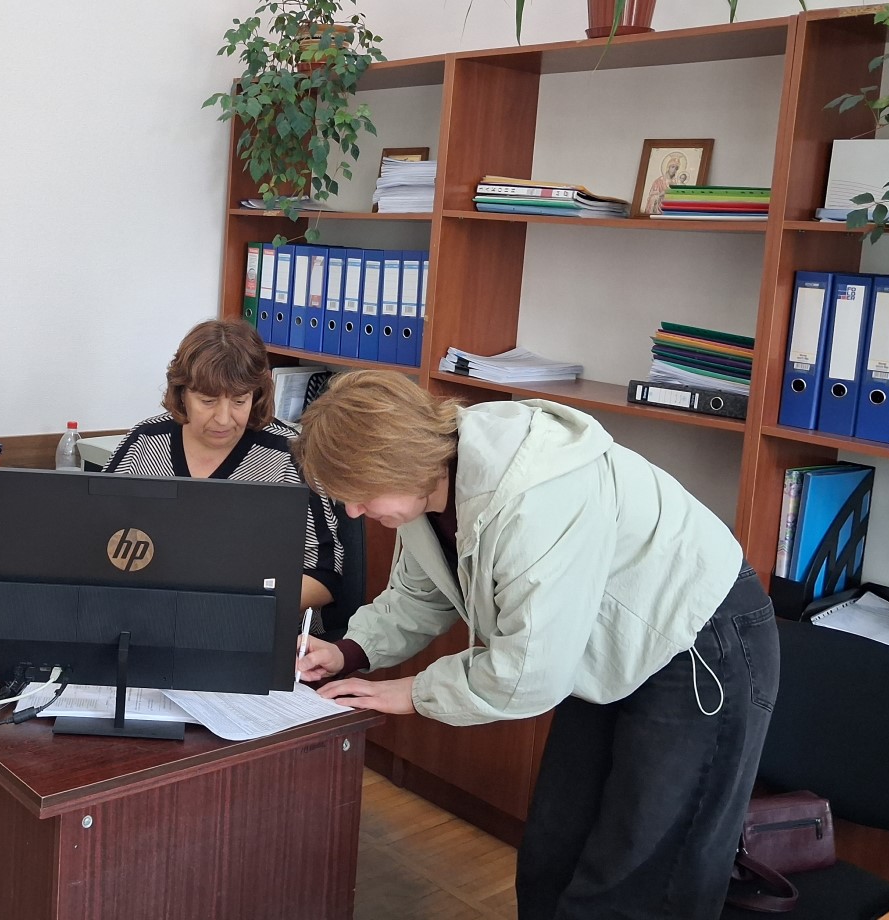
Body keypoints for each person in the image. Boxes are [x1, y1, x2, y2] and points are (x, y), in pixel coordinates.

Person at [291, 370, 778, 919]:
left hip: (699, 642)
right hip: (595, 643)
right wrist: (349, 651)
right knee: (554, 851)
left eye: (360, 496)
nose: (354, 513)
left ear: (397, 461)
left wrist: (413, 693)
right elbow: (421, 594)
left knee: (642, 873)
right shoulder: (427, 483)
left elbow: (528, 674)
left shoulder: (533, 494)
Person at [105, 319, 342, 616]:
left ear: (256, 395)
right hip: (149, 615)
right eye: (207, 401)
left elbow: (325, 575)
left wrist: (235, 607)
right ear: (182, 394)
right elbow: (98, 540)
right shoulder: (145, 443)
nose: (223, 419)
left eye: (240, 401)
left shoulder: (288, 455)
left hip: (253, 620)